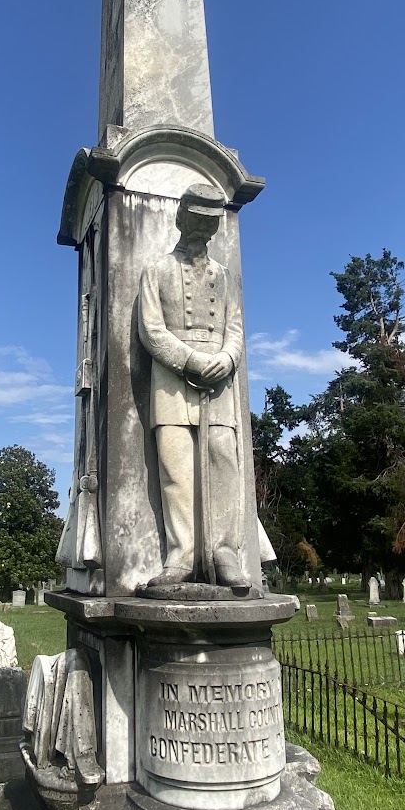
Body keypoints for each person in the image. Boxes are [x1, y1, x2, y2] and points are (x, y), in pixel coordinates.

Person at [137, 183, 246, 588]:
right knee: (175, 468)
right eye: (196, 222)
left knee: (224, 463)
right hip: (171, 379)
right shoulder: (157, 270)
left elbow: (235, 329)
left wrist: (226, 358)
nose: (202, 231)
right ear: (182, 219)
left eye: (209, 224)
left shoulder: (225, 276)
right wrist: (190, 359)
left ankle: (224, 554)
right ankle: (180, 556)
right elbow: (151, 329)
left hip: (220, 381)